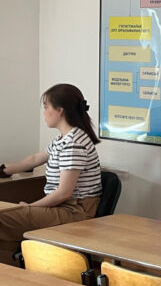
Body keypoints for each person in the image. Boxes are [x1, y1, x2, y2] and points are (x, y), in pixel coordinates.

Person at [0, 84, 102, 264]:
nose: (44, 112)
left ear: (59, 110)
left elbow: (63, 193)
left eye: (46, 107)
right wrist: (5, 170)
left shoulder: (74, 143)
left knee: (3, 218)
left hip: (73, 211)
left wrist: (30, 207)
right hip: (62, 207)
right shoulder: (63, 139)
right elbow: (35, 159)